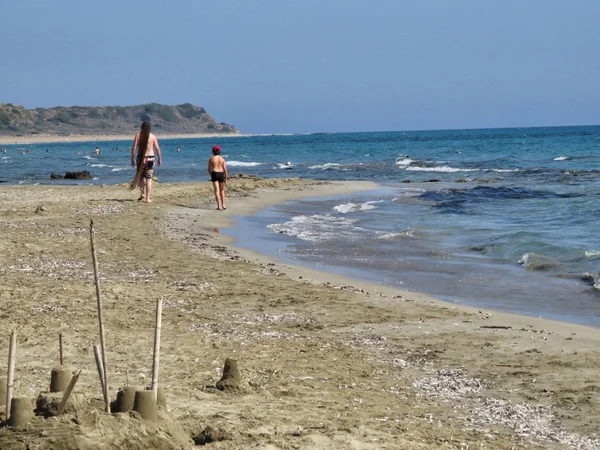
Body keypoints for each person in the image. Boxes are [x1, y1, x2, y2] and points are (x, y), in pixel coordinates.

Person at [130, 121, 162, 203]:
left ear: (141, 127)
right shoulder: (153, 137)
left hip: (140, 159)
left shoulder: (138, 136)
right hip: (150, 159)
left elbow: (134, 148)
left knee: (140, 177)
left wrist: (132, 159)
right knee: (149, 179)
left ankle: (142, 194)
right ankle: (147, 199)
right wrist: (159, 159)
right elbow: (157, 148)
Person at [207, 145, 228, 210]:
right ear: (219, 151)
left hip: (214, 173)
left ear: (213, 151)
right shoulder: (222, 159)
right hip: (221, 173)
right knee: (222, 190)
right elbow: (225, 170)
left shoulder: (211, 159)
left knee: (216, 190)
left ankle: (219, 206)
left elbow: (209, 169)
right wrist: (226, 178)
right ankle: (223, 205)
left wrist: (211, 175)